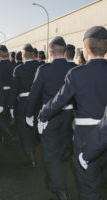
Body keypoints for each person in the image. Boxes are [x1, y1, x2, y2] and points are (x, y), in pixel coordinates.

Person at [38, 26, 107, 200]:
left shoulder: (77, 74)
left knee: (88, 186)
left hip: (87, 136)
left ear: (86, 50)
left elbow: (59, 100)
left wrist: (43, 114)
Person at [26, 36, 73, 200]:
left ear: (50, 51)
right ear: (65, 51)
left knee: (50, 153)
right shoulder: (74, 68)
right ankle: (53, 177)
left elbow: (34, 94)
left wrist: (29, 113)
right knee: (60, 147)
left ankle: (59, 188)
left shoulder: (44, 69)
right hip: (69, 115)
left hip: (50, 116)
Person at [9, 44, 40, 168]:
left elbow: (14, 89)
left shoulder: (19, 69)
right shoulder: (40, 67)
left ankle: (31, 157)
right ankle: (34, 147)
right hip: (38, 101)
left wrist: (11, 105)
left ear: (23, 55)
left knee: (24, 129)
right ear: (33, 54)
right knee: (36, 126)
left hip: (24, 102)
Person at [0, 45, 15, 144]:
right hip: (9, 93)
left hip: (1, 94)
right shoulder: (11, 66)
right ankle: (5, 138)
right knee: (5, 116)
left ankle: (9, 135)